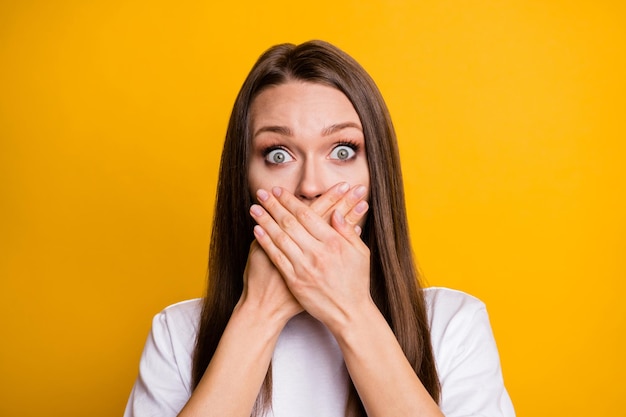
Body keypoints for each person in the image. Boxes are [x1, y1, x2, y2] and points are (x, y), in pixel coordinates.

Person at [124, 40, 515, 417]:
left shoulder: (451, 325)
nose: (311, 186)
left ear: (376, 173)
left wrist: (352, 311)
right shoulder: (177, 333)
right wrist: (257, 313)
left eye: (342, 151)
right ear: (243, 180)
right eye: (278, 154)